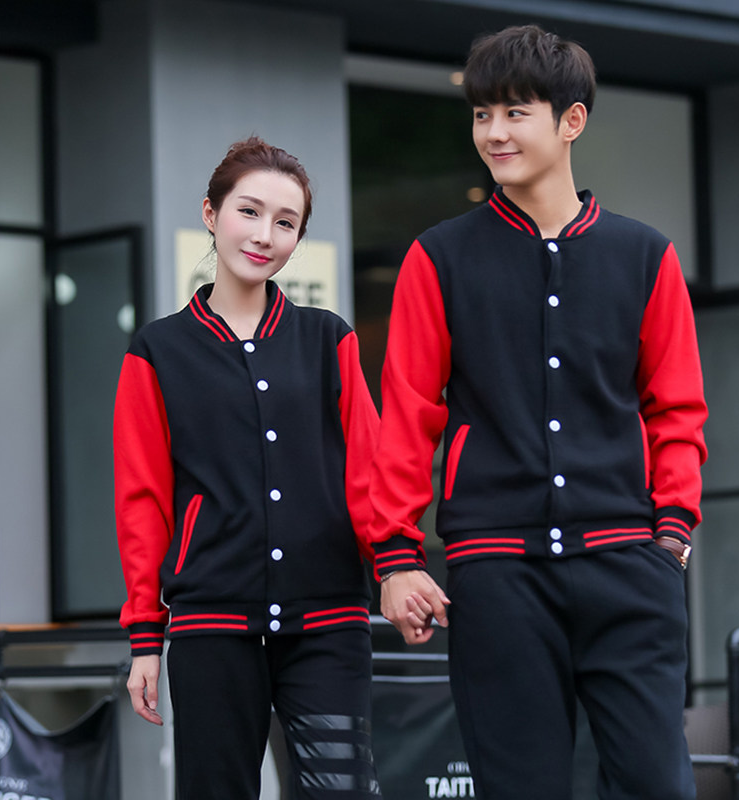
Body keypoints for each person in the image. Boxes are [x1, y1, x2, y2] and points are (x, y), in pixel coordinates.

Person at [368, 24, 707, 800]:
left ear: (571, 121)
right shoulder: (438, 258)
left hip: (630, 564)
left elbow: (677, 409)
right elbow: (408, 412)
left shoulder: (644, 256)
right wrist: (396, 555)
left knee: (659, 784)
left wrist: (672, 535)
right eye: (482, 114)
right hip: (498, 573)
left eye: (515, 112)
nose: (494, 132)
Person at [113, 136, 382, 800]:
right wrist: (145, 635)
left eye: (286, 223)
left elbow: (369, 469)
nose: (265, 235)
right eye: (249, 212)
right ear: (211, 214)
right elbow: (142, 499)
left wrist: (396, 564)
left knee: (342, 789)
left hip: (328, 620)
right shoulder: (158, 350)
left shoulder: (329, 338)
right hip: (212, 623)